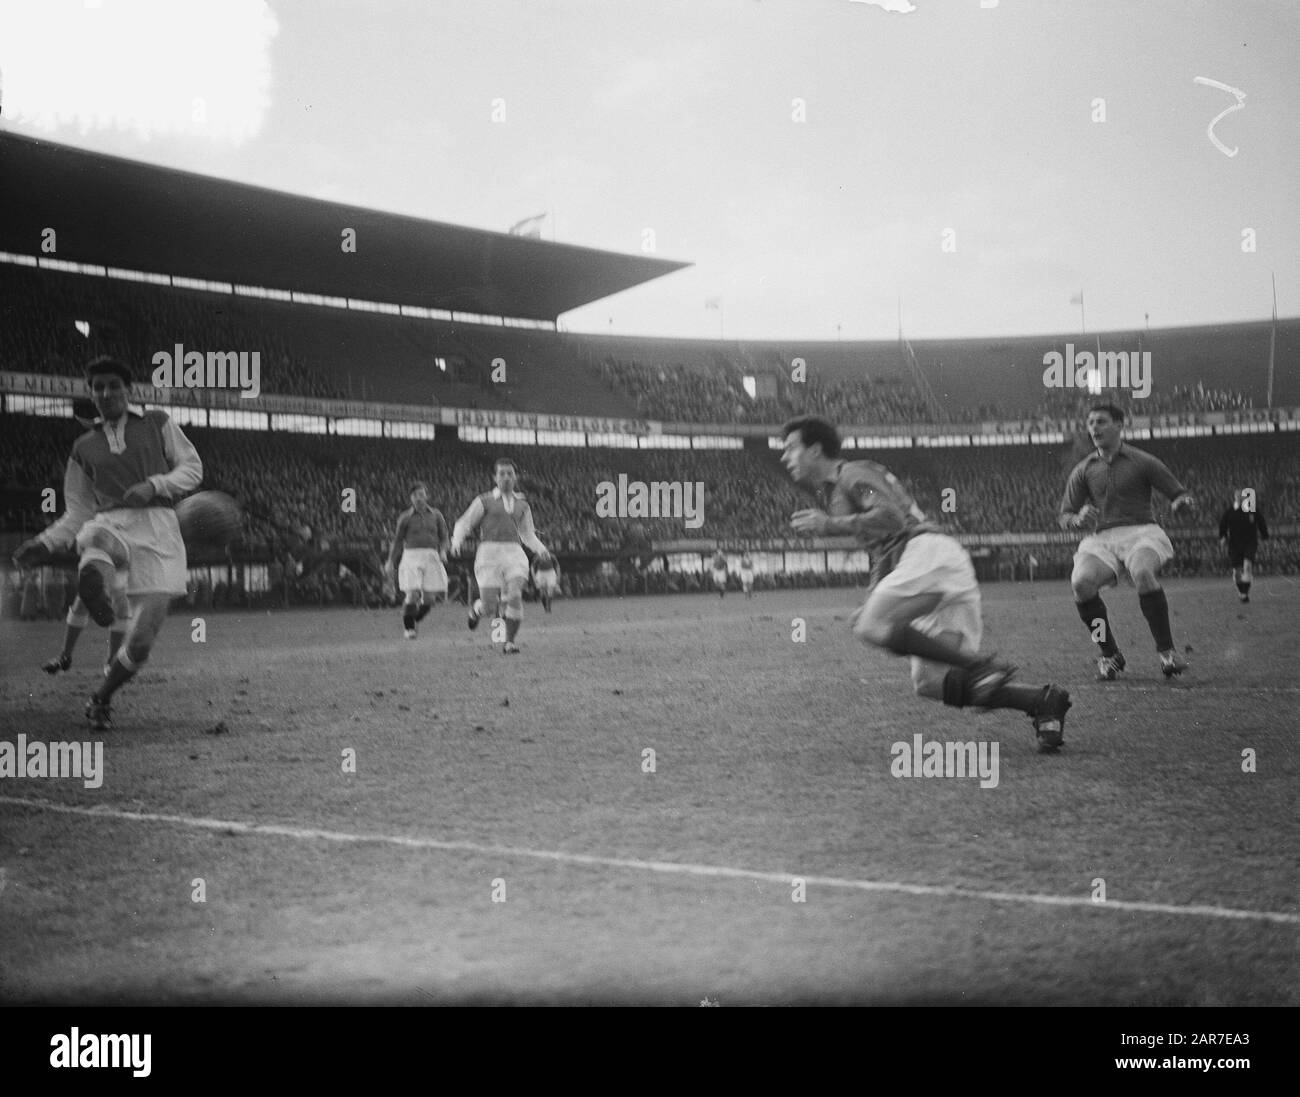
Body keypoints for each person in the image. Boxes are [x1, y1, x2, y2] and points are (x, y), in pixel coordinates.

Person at [782, 415, 1071, 752]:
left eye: (790, 448)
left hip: (929, 553)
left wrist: (829, 525)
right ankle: (1042, 701)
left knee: (870, 626)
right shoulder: (838, 490)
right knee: (929, 682)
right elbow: (884, 547)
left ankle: (982, 666)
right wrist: (874, 595)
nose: (784, 457)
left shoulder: (852, 473)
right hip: (931, 563)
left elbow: (892, 517)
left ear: (815, 450)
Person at [12, 356, 202, 730]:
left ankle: (101, 697)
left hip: (160, 527)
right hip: (111, 522)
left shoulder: (157, 422)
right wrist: (46, 543)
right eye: (97, 387)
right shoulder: (84, 446)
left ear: (128, 390)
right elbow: (78, 511)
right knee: (96, 535)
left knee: (143, 641)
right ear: (91, 394)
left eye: (113, 385)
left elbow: (192, 468)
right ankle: (93, 582)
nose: (106, 392)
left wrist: (155, 484)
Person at [1059, 403, 1196, 679]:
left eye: (1101, 421)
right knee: (1080, 584)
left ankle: (1167, 654)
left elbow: (1179, 494)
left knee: (1143, 573)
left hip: (1141, 532)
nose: (1094, 427)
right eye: (1091, 423)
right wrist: (1077, 519)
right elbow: (1065, 515)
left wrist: (1182, 504)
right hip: (1102, 538)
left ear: (1121, 425)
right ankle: (1109, 655)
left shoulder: (1143, 461)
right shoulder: (1084, 469)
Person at [451, 458, 553, 654]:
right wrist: (456, 541)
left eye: (510, 473)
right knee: (490, 607)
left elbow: (527, 534)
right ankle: (477, 610)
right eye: (502, 473)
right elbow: (464, 523)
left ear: (515, 477)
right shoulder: (484, 500)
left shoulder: (522, 504)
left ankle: (509, 643)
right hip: (489, 554)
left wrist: (541, 549)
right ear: (495, 477)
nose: (506, 477)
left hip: (514, 553)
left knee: (514, 594)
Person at [384, 481, 450, 639]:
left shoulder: (436, 515)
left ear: (426, 496)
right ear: (410, 498)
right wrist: (390, 561)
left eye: (421, 494)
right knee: (412, 593)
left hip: (431, 556)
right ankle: (409, 629)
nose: (418, 498)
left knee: (430, 599)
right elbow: (398, 540)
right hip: (411, 556)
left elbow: (445, 537)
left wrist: (443, 551)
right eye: (415, 495)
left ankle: (413, 619)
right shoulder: (405, 518)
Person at [1218, 489, 1269, 603]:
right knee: (1237, 572)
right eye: (1238, 497)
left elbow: (1261, 522)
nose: (1240, 499)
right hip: (1234, 545)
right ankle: (1242, 592)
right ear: (1235, 498)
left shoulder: (1253, 510)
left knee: (1247, 566)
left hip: (1249, 543)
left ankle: (1245, 593)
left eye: (1242, 497)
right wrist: (1223, 537)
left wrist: (1265, 537)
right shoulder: (1230, 512)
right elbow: (1223, 525)